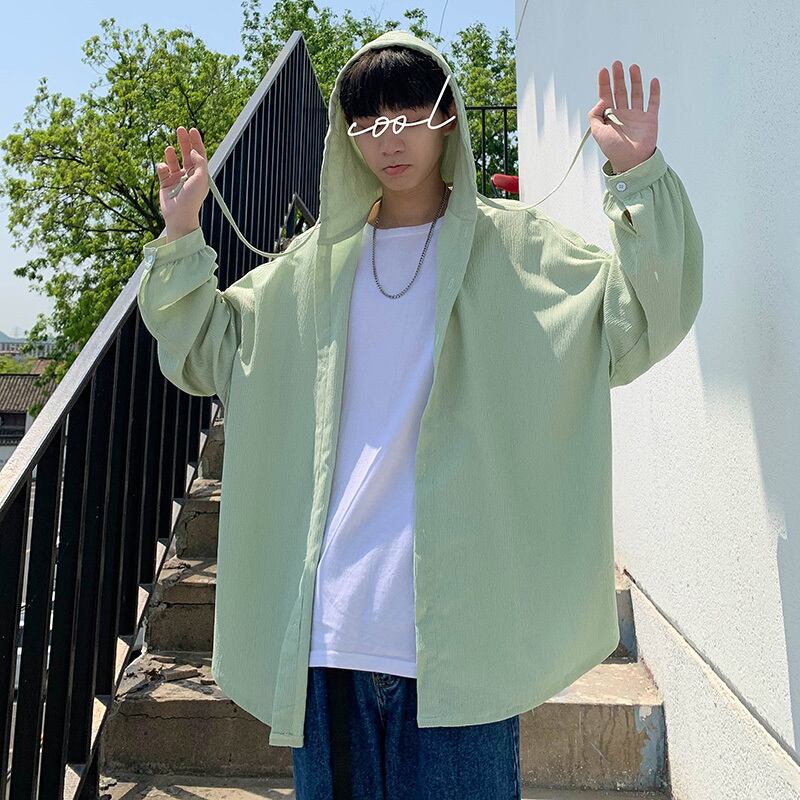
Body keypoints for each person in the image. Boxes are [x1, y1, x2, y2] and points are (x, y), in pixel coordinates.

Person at [137, 29, 702, 800]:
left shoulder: (520, 249)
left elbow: (642, 318)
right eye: (367, 122)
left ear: (449, 117)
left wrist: (638, 177)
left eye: (407, 114)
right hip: (328, 637)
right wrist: (180, 235)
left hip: (463, 641)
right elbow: (206, 352)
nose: (388, 138)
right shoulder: (312, 266)